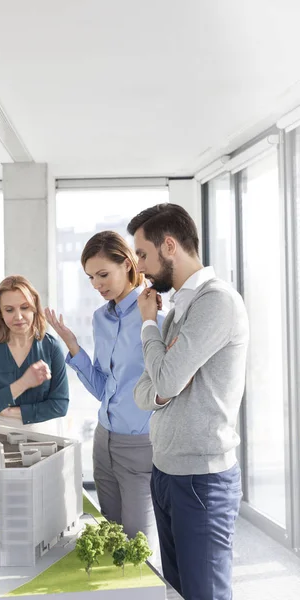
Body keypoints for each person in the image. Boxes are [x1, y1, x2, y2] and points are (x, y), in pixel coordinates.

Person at [127, 203, 249, 600]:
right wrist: (164, 377)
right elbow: (148, 389)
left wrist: (148, 324)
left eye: (143, 254)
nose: (139, 267)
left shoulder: (216, 303)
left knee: (205, 594)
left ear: (168, 245)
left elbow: (163, 378)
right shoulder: (181, 306)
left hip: (201, 478)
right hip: (167, 471)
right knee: (178, 593)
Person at [45, 231, 165, 550]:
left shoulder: (154, 315)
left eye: (103, 274)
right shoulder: (100, 318)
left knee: (138, 546)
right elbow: (104, 388)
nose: (97, 285)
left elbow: (171, 384)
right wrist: (73, 347)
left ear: (127, 265)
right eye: (90, 278)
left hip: (142, 445)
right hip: (104, 442)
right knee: (111, 541)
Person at [0, 275, 69, 433]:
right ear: (0, 312)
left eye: (24, 307)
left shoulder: (51, 348)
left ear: (34, 308)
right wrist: (23, 383)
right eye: (9, 310)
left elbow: (60, 406)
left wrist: (7, 410)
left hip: (43, 436)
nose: (18, 316)